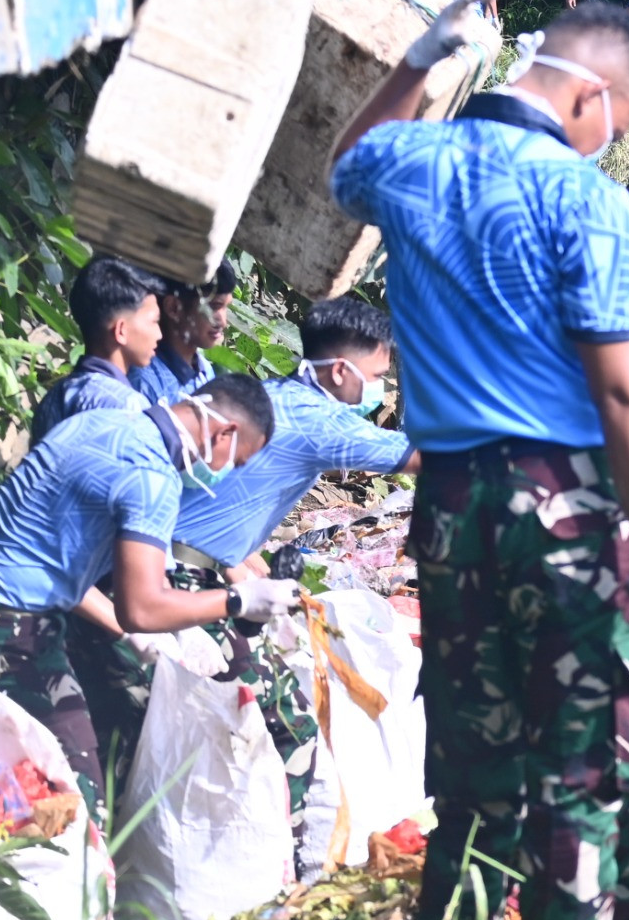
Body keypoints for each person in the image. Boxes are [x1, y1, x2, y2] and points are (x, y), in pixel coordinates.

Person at [326, 0, 629, 920]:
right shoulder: (578, 199)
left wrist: (414, 62)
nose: (617, 137)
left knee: (474, 778)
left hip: (448, 505)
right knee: (581, 775)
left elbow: (342, 168)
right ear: (593, 97)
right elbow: (623, 395)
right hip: (559, 506)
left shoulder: (412, 160)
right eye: (625, 117)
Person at [81, 300, 413, 794]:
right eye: (376, 375)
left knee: (181, 735)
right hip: (175, 580)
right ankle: (291, 856)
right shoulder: (321, 421)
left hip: (181, 569)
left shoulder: (273, 396)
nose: (378, 389)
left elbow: (227, 515)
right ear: (341, 370)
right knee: (280, 731)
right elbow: (425, 458)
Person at [0, 376, 286, 810]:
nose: (227, 472)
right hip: (7, 621)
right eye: (236, 460)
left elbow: (54, 549)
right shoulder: (153, 477)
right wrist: (238, 601)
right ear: (225, 434)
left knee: (9, 773)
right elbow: (140, 607)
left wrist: (134, 635)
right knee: (73, 800)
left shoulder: (101, 424)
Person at [30, 256, 163, 444]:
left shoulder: (54, 397)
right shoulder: (129, 407)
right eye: (154, 321)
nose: (159, 334)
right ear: (121, 331)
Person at [130, 258, 237, 403]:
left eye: (226, 307)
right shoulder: (143, 383)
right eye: (214, 306)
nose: (223, 322)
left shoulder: (204, 370)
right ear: (174, 308)